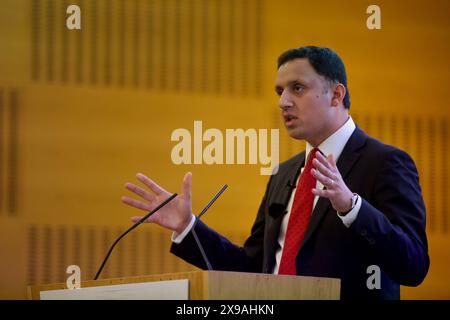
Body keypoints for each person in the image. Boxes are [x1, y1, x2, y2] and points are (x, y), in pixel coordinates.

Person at [122, 46, 429, 300]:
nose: (283, 102)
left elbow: (414, 265)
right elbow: (254, 270)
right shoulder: (284, 174)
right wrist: (189, 227)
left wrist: (352, 207)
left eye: (297, 88)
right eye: (280, 91)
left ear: (336, 95)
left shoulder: (385, 163)